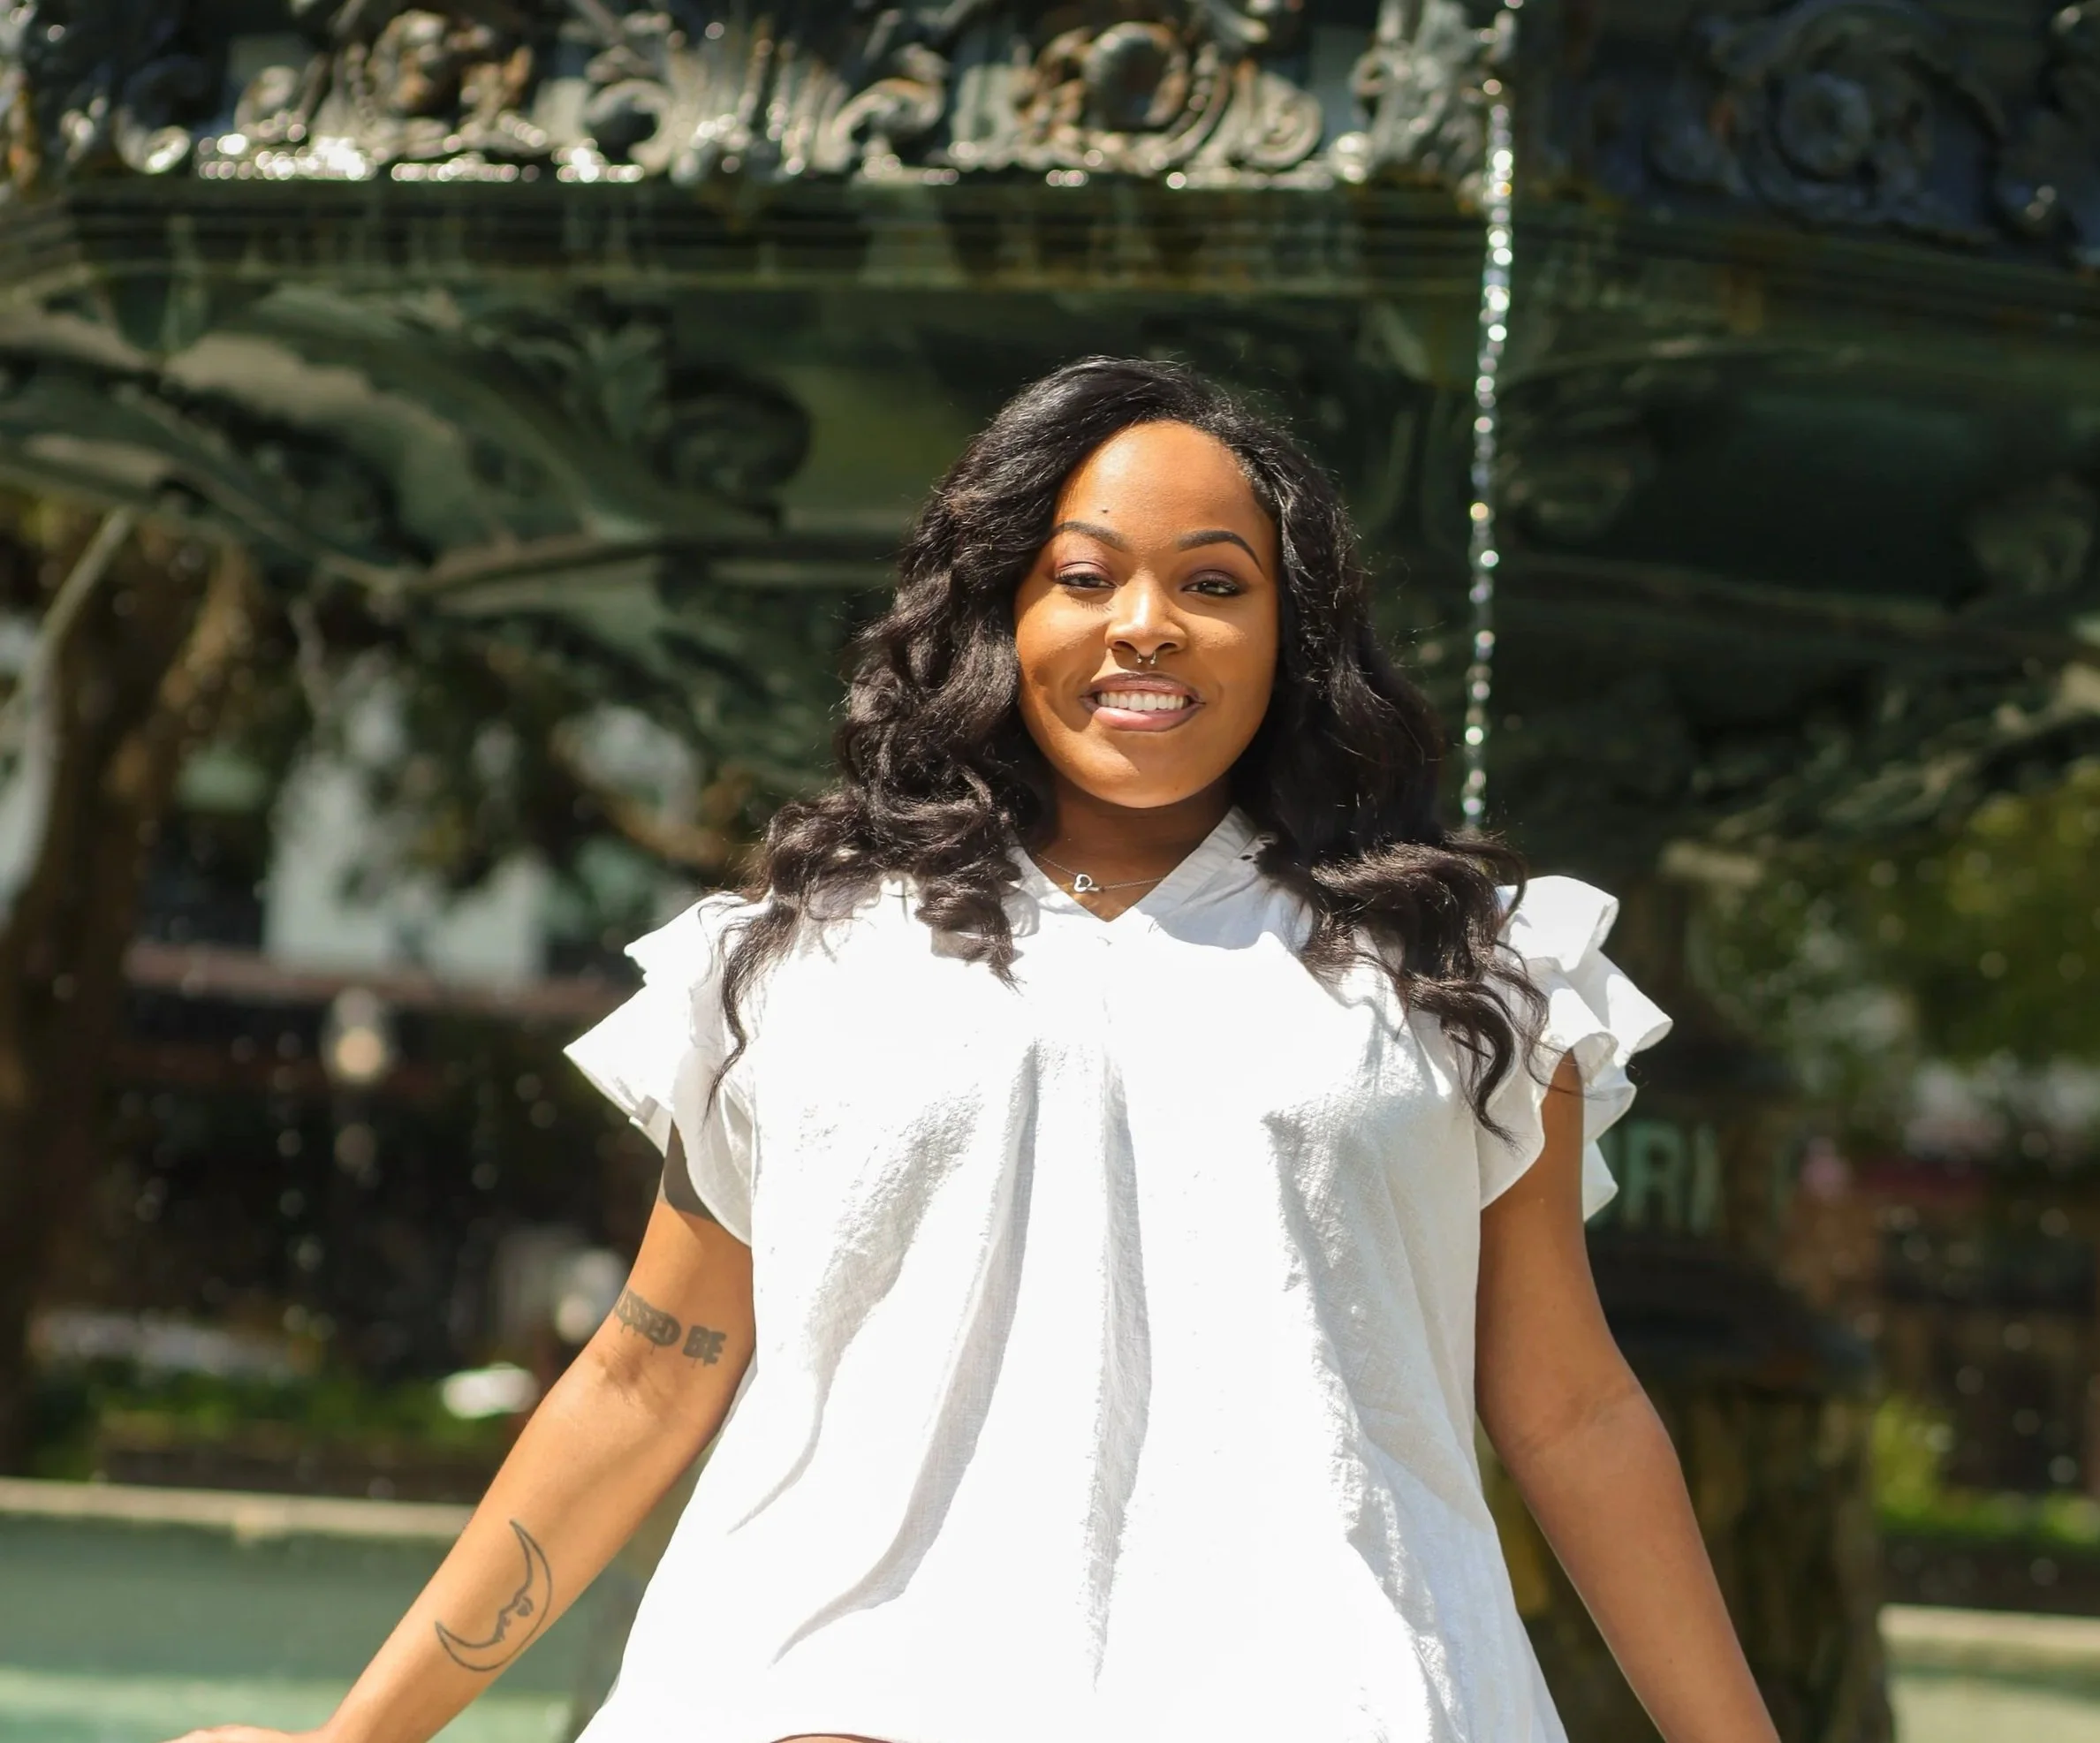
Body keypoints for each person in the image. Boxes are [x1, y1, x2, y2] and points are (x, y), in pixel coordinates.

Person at [173, 358, 1779, 1743]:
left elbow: (1572, 1412)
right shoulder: (795, 956)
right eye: (1085, 577)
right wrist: (360, 1738)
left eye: (1215, 584)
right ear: (1003, 609)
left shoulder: (1464, 972)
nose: (1146, 627)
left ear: (1295, 635)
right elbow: (645, 1377)